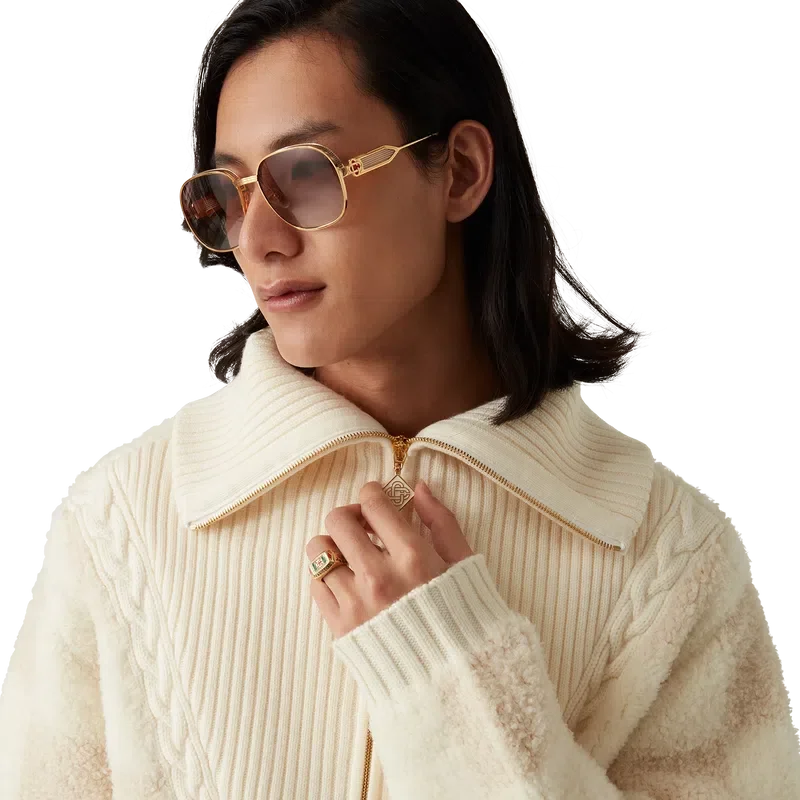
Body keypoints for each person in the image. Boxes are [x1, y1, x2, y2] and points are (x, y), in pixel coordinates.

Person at [2, 0, 798, 798]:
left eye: (305, 174)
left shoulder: (668, 554)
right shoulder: (121, 524)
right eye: (229, 195)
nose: (258, 241)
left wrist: (452, 675)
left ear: (460, 170)